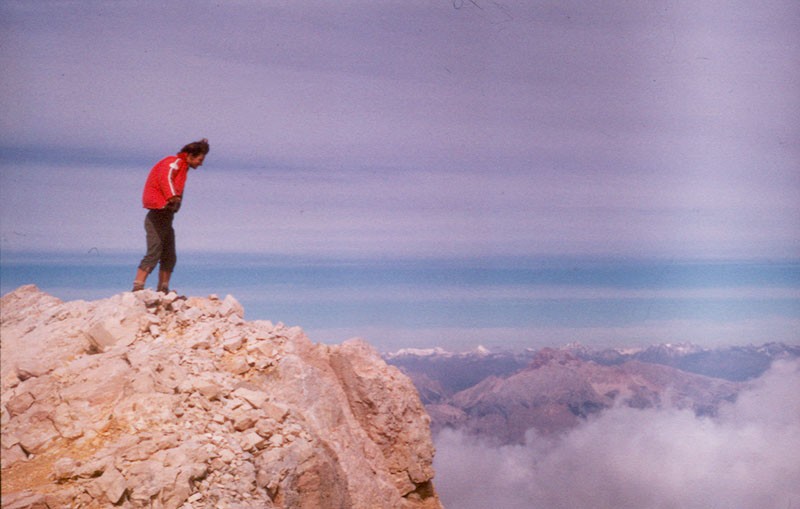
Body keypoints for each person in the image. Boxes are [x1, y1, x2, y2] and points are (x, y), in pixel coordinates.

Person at [132, 138, 209, 293]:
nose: (201, 163)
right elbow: (164, 177)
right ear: (190, 155)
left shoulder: (183, 168)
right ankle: (138, 287)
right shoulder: (174, 162)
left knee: (169, 254)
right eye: (200, 159)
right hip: (157, 213)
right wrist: (172, 196)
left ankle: (163, 289)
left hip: (166, 215)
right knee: (154, 251)